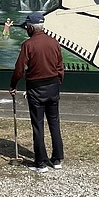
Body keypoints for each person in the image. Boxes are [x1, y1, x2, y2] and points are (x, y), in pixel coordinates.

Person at [9, 11, 65, 173]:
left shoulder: (28, 45)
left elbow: (19, 69)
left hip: (36, 88)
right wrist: (57, 81)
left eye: (27, 26)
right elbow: (60, 66)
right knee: (54, 122)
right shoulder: (54, 42)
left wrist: (13, 85)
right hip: (53, 86)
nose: (26, 28)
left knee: (38, 125)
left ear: (32, 28)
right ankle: (57, 159)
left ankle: (40, 162)